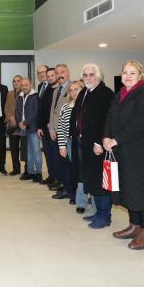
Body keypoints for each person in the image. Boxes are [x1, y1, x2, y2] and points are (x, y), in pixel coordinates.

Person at [102, 61, 144, 250]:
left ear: (140, 75)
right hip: (121, 151)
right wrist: (106, 137)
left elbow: (140, 123)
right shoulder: (120, 94)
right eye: (125, 72)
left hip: (138, 151)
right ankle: (134, 226)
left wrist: (116, 139)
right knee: (128, 189)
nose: (127, 76)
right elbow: (109, 117)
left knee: (141, 191)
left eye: (132, 73)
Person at [71, 63, 115, 229]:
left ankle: (105, 215)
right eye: (85, 75)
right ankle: (98, 212)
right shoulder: (84, 92)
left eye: (91, 74)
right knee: (91, 179)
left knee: (101, 182)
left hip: (98, 145)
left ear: (99, 76)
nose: (88, 78)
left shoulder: (105, 93)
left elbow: (106, 120)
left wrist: (98, 141)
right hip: (84, 143)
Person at [56, 80, 87, 211]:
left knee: (87, 171)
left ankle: (90, 197)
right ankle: (80, 200)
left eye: (76, 89)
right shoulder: (66, 107)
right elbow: (61, 128)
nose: (74, 92)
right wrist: (62, 146)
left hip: (86, 143)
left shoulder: (87, 105)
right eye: (71, 90)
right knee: (76, 171)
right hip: (70, 143)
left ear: (83, 90)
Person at [48, 64, 73, 196]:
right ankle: (64, 185)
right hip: (57, 131)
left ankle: (69, 189)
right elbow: (53, 110)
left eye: (62, 72)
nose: (59, 75)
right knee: (61, 161)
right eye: (57, 73)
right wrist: (52, 128)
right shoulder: (56, 90)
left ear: (68, 73)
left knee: (68, 163)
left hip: (67, 132)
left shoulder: (73, 88)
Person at [17, 78, 41, 182]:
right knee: (28, 152)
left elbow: (35, 112)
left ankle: (39, 173)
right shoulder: (20, 96)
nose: (24, 87)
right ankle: (31, 172)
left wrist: (25, 123)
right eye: (22, 85)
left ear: (30, 84)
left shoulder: (35, 96)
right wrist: (19, 122)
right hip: (23, 128)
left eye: (26, 85)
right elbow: (17, 111)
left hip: (33, 128)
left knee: (36, 152)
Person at [36, 68, 57, 182]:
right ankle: (52, 176)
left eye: (51, 75)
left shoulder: (59, 90)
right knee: (48, 153)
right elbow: (42, 108)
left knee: (55, 153)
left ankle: (58, 178)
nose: (49, 78)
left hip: (53, 127)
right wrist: (40, 126)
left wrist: (52, 124)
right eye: (48, 76)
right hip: (44, 127)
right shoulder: (44, 88)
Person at [4, 75, 25, 176]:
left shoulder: (26, 92)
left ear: (21, 82)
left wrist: (17, 119)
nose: (16, 83)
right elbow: (6, 107)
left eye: (18, 81)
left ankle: (27, 170)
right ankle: (16, 169)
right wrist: (10, 117)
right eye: (14, 81)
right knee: (13, 148)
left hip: (23, 125)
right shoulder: (9, 93)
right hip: (12, 125)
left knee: (25, 149)